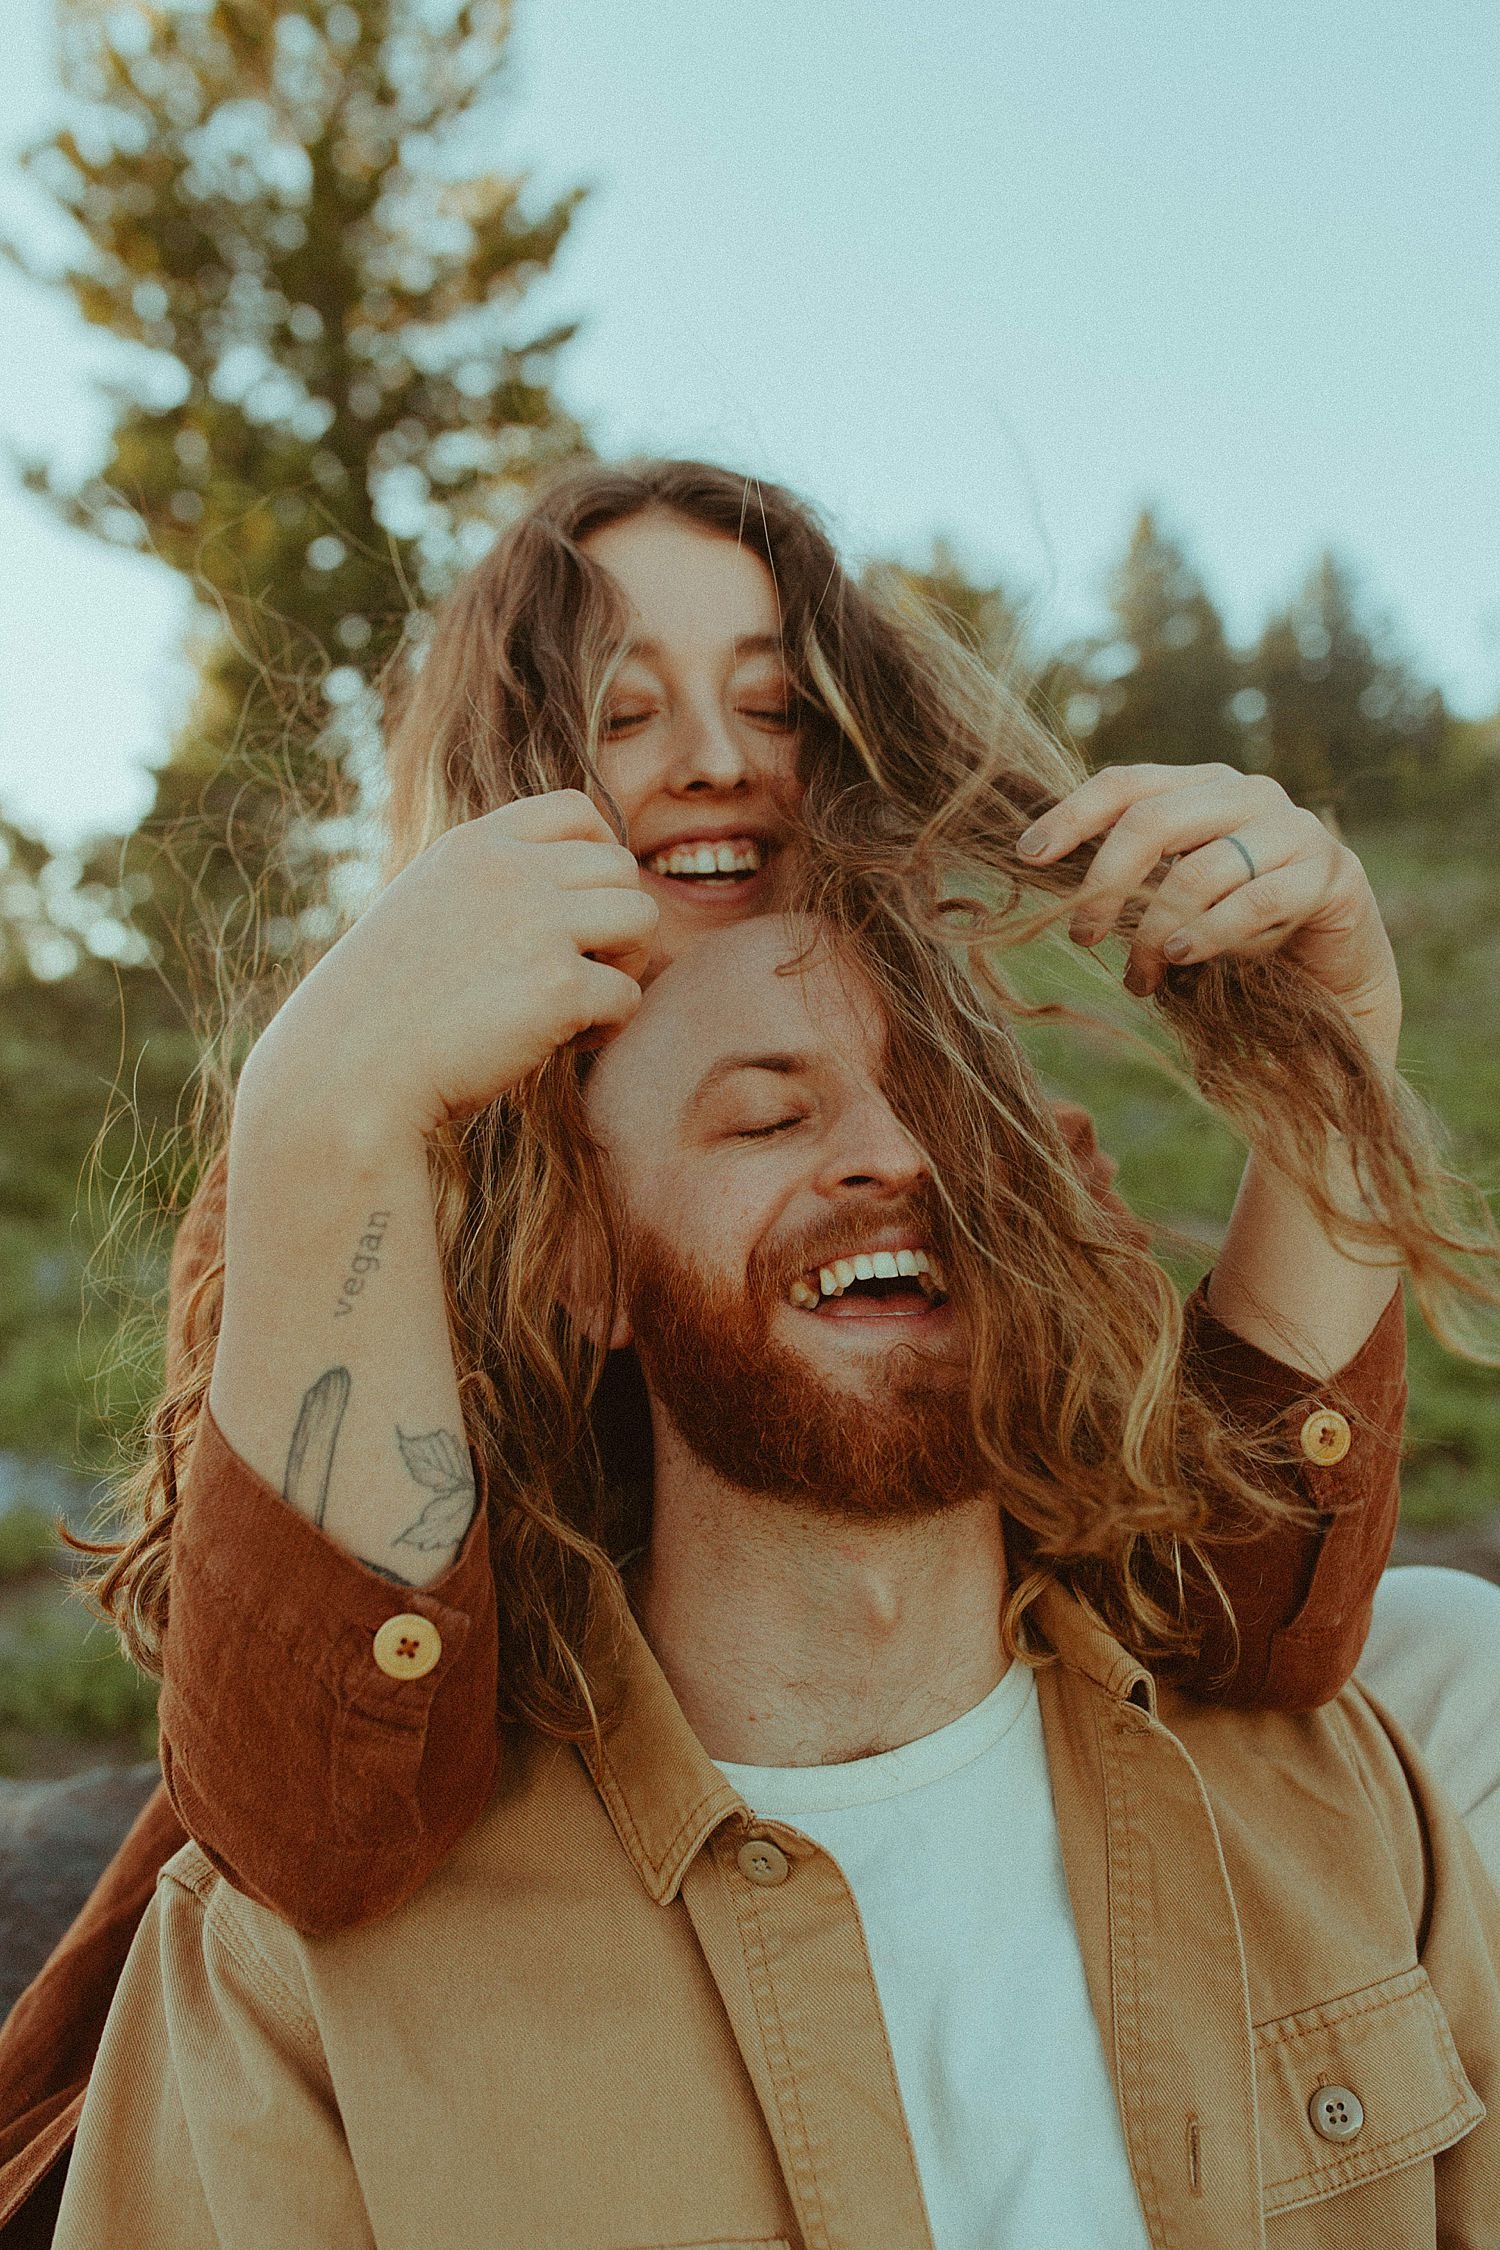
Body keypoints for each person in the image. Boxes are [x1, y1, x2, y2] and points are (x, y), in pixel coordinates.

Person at [0, 459, 1486, 2238]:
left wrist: (1335, 1043)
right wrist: (321, 1110)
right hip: (563, 1836)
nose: (716, 758)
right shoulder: (365, 1138)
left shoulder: (940, 1109)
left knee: (1451, 1648)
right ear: (513, 777)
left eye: (772, 704)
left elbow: (1252, 1595)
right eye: (626, 712)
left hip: (953, 1711)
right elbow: (321, 1807)